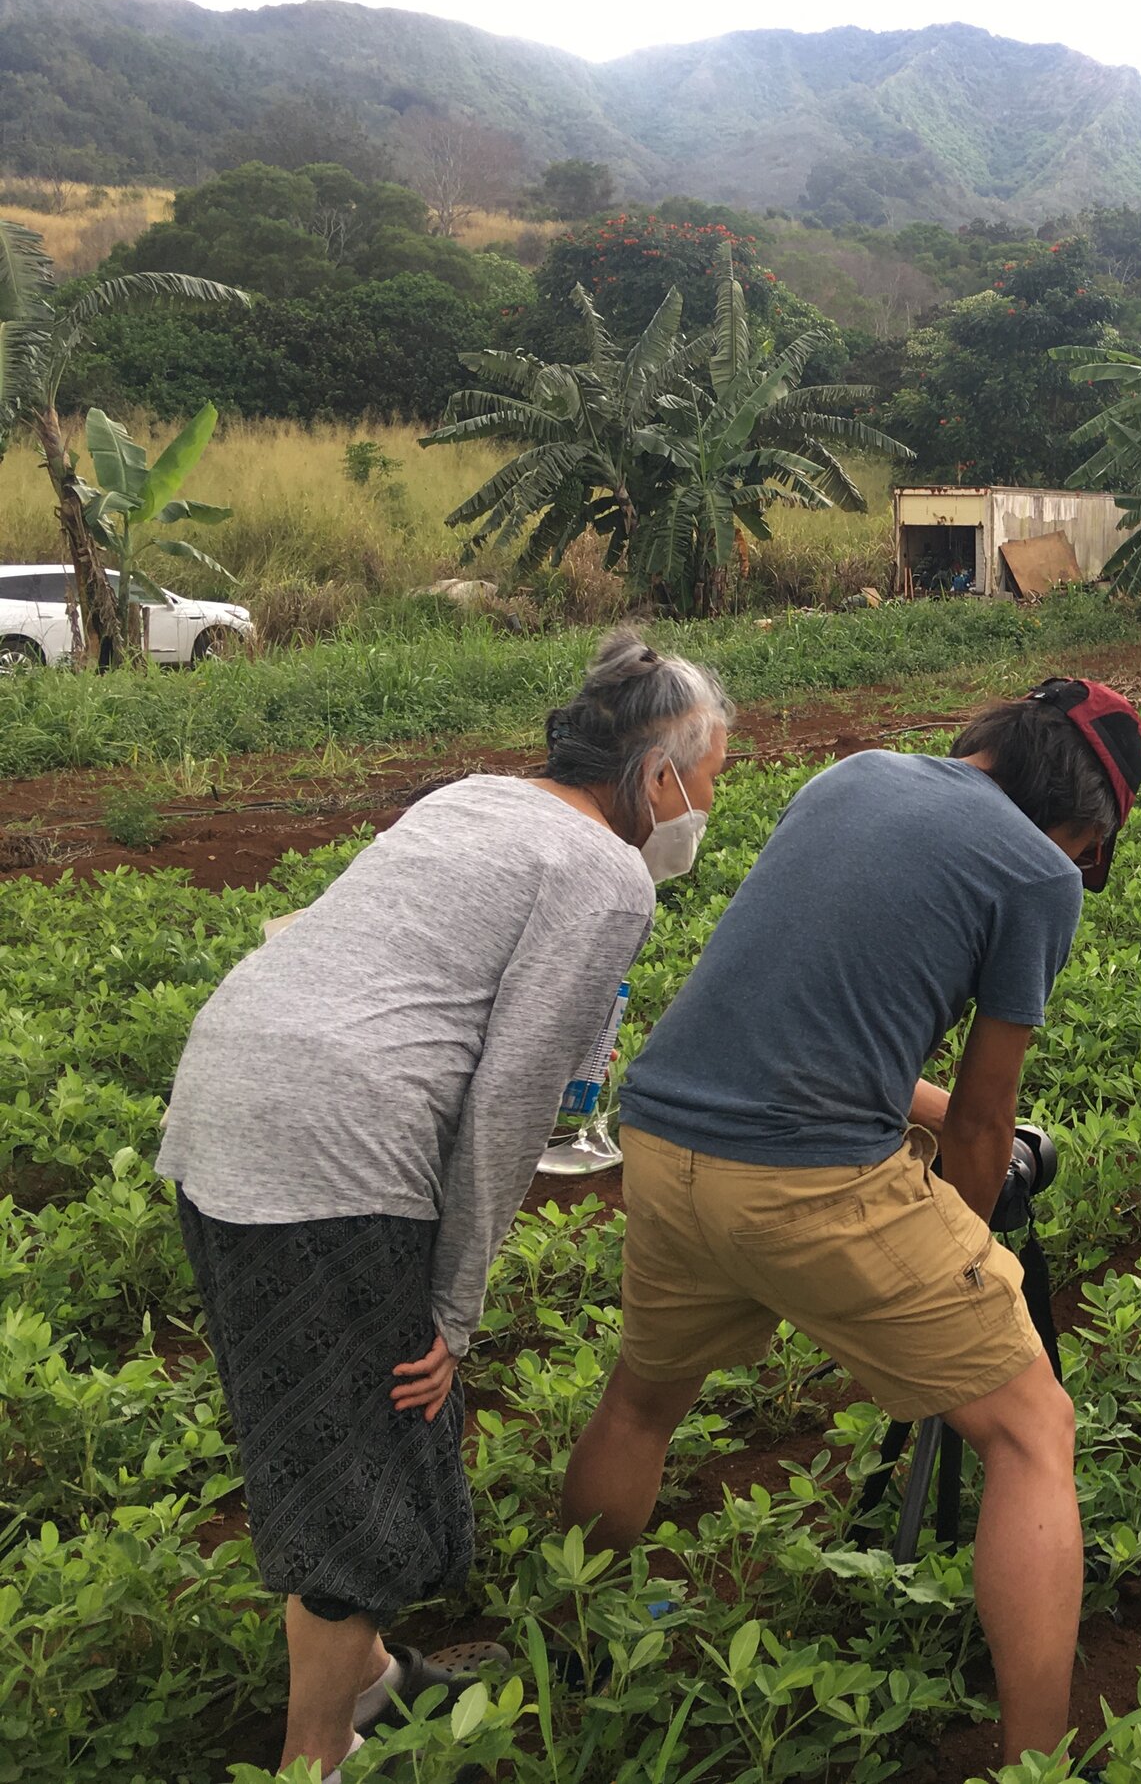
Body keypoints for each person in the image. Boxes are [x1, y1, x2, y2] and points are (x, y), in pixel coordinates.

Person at [155, 631, 731, 1782]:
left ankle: (369, 1680)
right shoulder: (604, 873)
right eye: (714, 769)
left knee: (316, 1418)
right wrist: (452, 1315)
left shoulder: (474, 797)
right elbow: (512, 1101)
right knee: (367, 1447)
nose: (716, 795)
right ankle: (314, 1759)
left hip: (226, 1102)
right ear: (658, 776)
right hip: (337, 1148)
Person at [557, 678, 1141, 1772]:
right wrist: (962, 1250)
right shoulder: (1034, 873)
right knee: (1032, 1433)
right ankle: (1039, 1761)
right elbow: (981, 1120)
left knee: (640, 1405)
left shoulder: (853, 775)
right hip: (804, 1186)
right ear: (1084, 823)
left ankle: (561, 1654)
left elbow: (821, 1035)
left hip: (664, 1142)